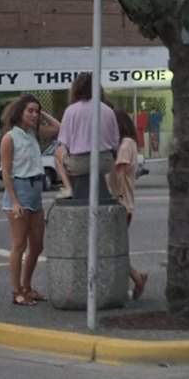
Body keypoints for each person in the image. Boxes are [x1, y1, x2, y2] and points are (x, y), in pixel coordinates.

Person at [0, 94, 52, 306]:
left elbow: (59, 128)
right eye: (29, 110)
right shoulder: (10, 138)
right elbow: (6, 172)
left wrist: (43, 114)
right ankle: (17, 291)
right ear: (19, 112)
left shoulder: (33, 134)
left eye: (36, 111)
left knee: (37, 246)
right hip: (19, 190)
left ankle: (27, 286)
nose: (34, 114)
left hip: (35, 191)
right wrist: (14, 201)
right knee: (19, 244)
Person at [56, 73, 120, 199]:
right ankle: (110, 188)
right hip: (104, 162)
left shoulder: (70, 111)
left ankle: (68, 188)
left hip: (79, 164)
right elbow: (115, 142)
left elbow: (64, 142)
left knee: (57, 153)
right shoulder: (107, 110)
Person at [107, 109, 149, 300]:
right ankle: (135, 277)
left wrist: (116, 195)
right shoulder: (130, 143)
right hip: (126, 203)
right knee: (115, 247)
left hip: (121, 203)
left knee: (113, 248)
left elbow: (120, 171)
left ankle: (136, 277)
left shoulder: (125, 145)